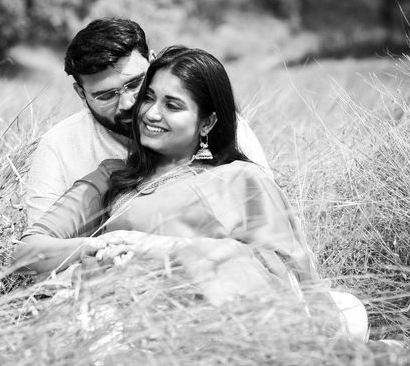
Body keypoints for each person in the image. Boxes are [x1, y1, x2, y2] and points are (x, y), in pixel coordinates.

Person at [13, 46, 368, 339]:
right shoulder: (112, 177)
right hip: (122, 323)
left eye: (173, 105)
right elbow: (27, 254)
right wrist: (95, 245)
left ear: (208, 122)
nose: (150, 113)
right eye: (149, 98)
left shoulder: (240, 179)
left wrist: (168, 251)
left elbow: (283, 272)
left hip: (221, 323)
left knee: (350, 312)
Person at [23, 18, 271, 224]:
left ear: (153, 63)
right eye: (106, 95)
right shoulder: (59, 146)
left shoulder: (212, 124)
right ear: (81, 94)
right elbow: (39, 253)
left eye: (134, 83)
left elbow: (267, 215)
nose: (128, 103)